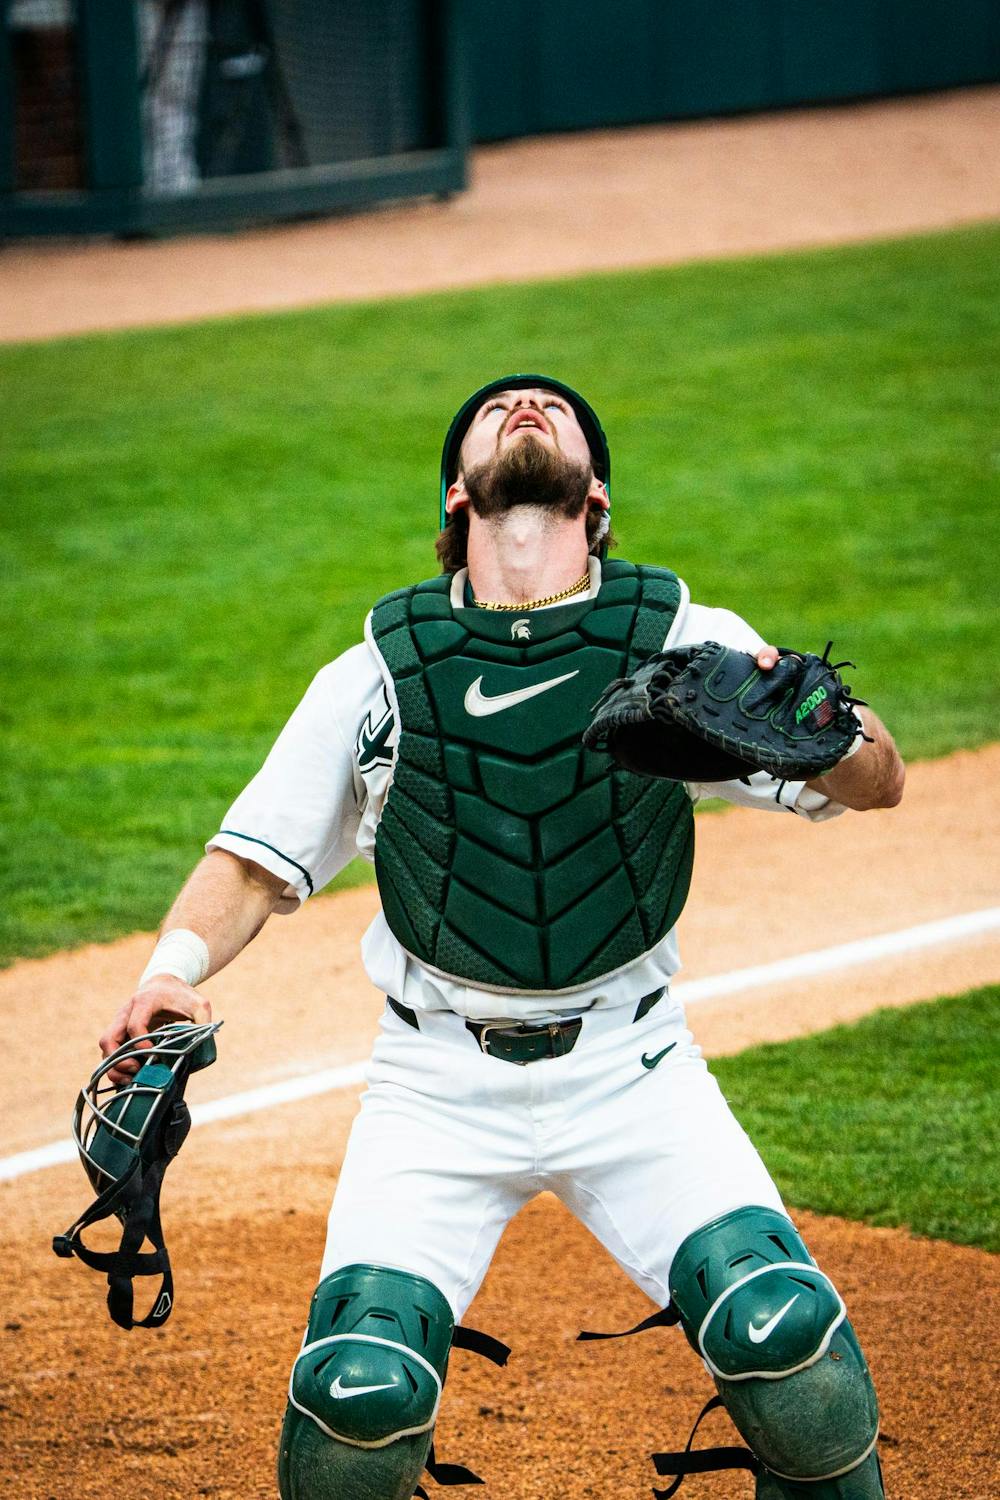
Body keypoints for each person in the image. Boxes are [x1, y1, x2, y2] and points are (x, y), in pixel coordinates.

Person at [100, 376, 905, 1499]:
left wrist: (833, 726)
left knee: (789, 1348)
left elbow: (874, 786)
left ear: (599, 500)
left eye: (551, 406)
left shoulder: (678, 640)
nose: (525, 407)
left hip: (637, 1071)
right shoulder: (380, 668)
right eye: (497, 407)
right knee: (354, 1397)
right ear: (454, 491)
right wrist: (165, 975)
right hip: (432, 1086)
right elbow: (250, 861)